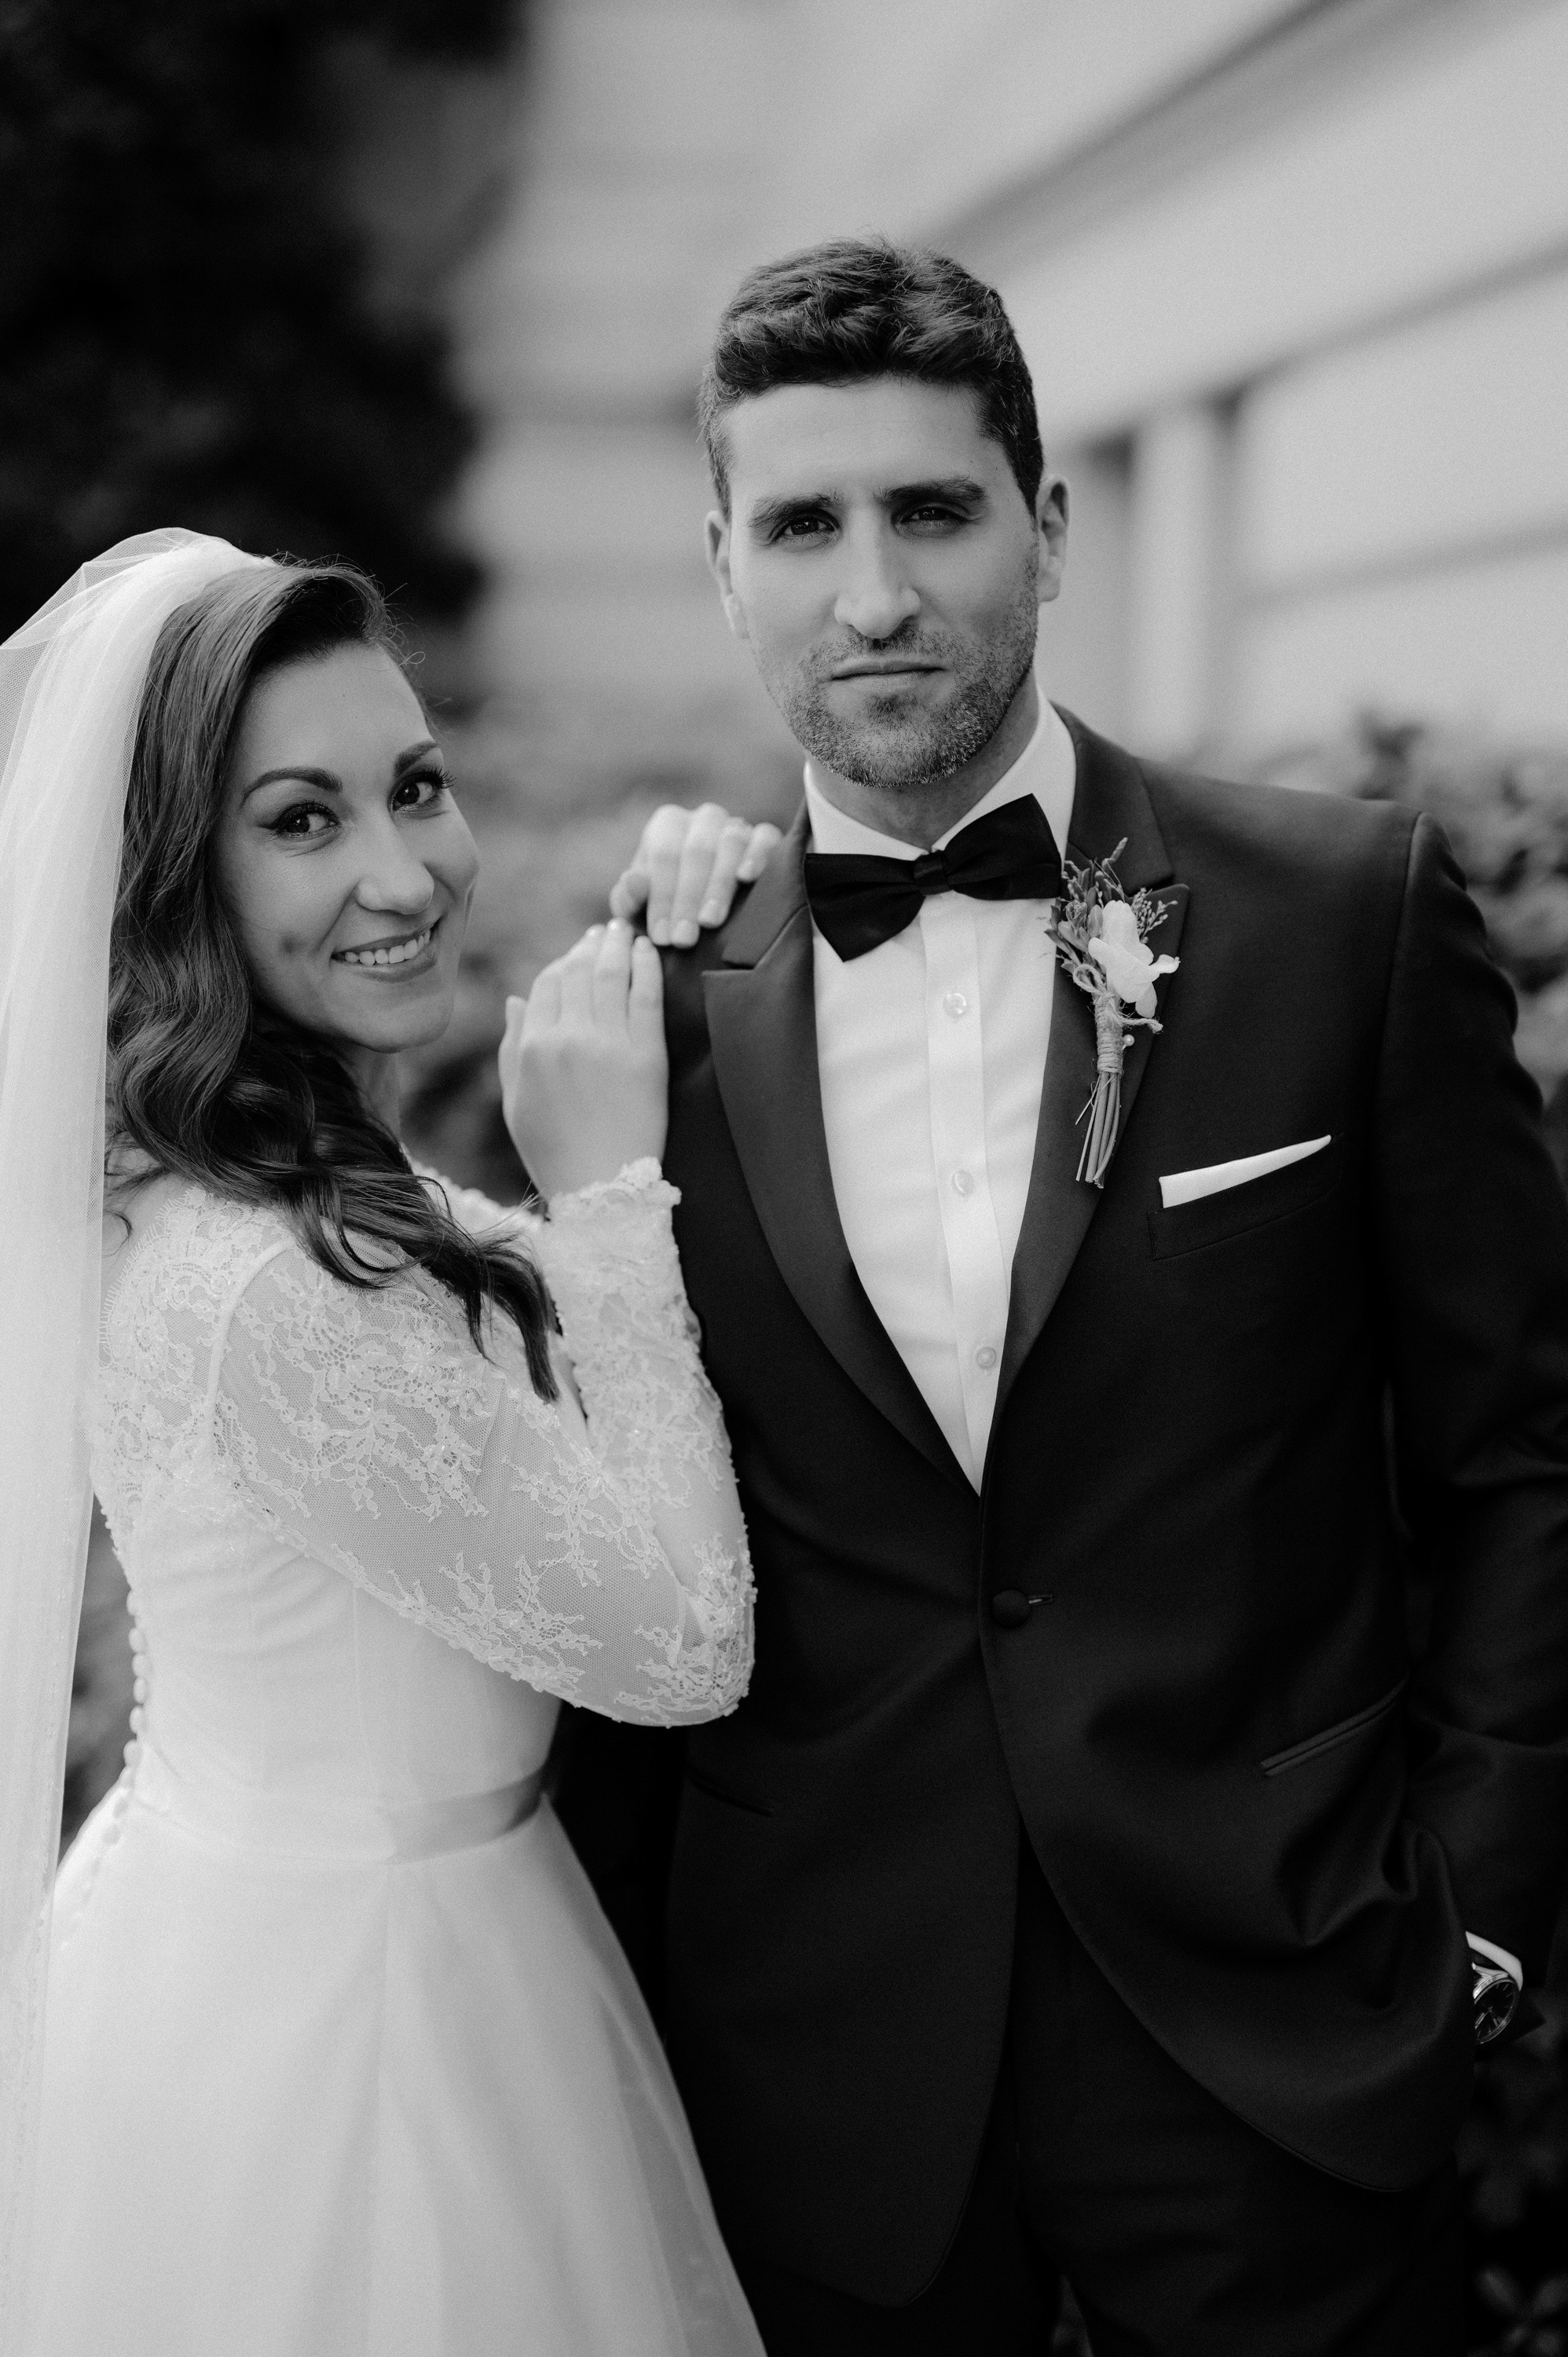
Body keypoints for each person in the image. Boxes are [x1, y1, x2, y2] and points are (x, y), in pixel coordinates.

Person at [555, 240, 1568, 2355]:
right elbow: (606, 1570)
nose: (873, 595)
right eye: (803, 526)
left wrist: (1469, 1922)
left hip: (1281, 2029)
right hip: (819, 2073)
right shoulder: (630, 1014)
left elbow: (1523, 1459)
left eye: (930, 509)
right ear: (722, 561)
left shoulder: (1336, 916)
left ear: (1047, 524)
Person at [0, 531, 772, 2356]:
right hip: (359, 2025)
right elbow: (681, 1646)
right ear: (171, 873)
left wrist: (684, 921)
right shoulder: (262, 1282)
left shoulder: (250, 1174)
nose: (402, 868)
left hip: (322, 1922)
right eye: (301, 819)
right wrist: (611, 1199)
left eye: (412, 787)